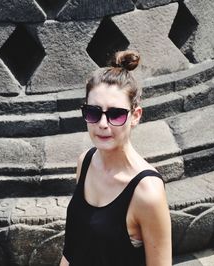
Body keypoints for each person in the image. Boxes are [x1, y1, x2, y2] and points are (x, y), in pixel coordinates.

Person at [59, 50, 172, 266]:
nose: (102, 124)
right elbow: (72, 250)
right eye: (93, 112)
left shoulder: (147, 192)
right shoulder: (86, 162)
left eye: (115, 114)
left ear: (135, 116)